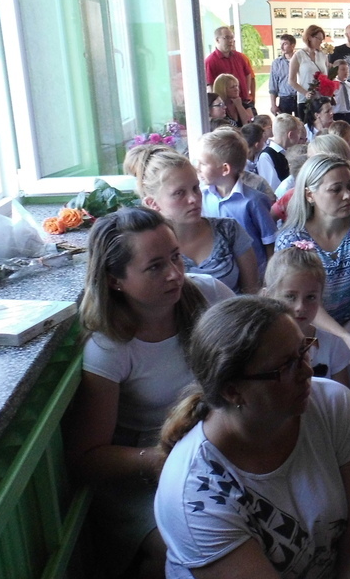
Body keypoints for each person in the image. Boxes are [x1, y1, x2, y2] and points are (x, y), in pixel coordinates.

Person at [155, 296, 350, 578]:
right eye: (286, 366)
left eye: (303, 351)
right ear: (233, 391)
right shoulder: (194, 495)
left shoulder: (331, 404)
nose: (307, 371)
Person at [64, 208, 219, 577]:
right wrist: (161, 459)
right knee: (188, 552)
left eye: (176, 257)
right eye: (155, 267)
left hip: (214, 453)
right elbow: (87, 457)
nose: (175, 273)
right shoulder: (110, 347)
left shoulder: (210, 295)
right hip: (142, 477)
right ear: (115, 280)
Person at [126, 145, 258, 295]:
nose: (193, 199)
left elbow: (251, 293)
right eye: (179, 193)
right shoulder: (148, 248)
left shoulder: (228, 230)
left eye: (196, 188)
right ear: (152, 203)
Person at [275, 153, 350, 333]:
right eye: (336, 189)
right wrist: (344, 338)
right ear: (310, 195)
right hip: (306, 322)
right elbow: (302, 301)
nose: (347, 195)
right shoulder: (291, 239)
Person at [263, 245, 350, 387]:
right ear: (268, 297)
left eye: (310, 297)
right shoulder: (260, 346)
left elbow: (342, 395)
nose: (300, 307)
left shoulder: (333, 346)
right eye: (290, 297)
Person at [197, 127, 275, 273]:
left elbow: (269, 241)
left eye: (203, 164)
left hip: (255, 272)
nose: (197, 168)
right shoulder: (202, 197)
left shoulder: (254, 201)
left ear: (225, 169)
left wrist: (270, 276)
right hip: (222, 273)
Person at [204, 25, 255, 109]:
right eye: (227, 38)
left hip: (244, 101)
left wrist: (246, 93)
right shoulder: (210, 61)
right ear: (217, 40)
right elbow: (211, 86)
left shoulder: (240, 57)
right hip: (226, 106)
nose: (230, 41)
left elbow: (248, 74)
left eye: (232, 38)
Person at [287, 23, 329, 114]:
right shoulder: (298, 55)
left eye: (322, 39)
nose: (321, 42)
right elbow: (291, 80)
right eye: (318, 39)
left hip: (322, 99)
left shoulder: (323, 55)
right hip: (305, 100)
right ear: (309, 37)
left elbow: (327, 76)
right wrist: (305, 93)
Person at [269, 33, 300, 115]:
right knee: (285, 122)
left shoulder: (300, 61)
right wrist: (273, 105)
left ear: (293, 45)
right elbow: (273, 85)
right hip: (285, 99)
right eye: (281, 44)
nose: (282, 47)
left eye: (285, 44)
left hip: (299, 98)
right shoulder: (277, 63)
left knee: (301, 122)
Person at [332, 59, 350, 126]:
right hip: (337, 114)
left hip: (349, 114)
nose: (346, 72)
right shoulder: (332, 85)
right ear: (336, 71)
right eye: (343, 69)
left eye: (347, 69)